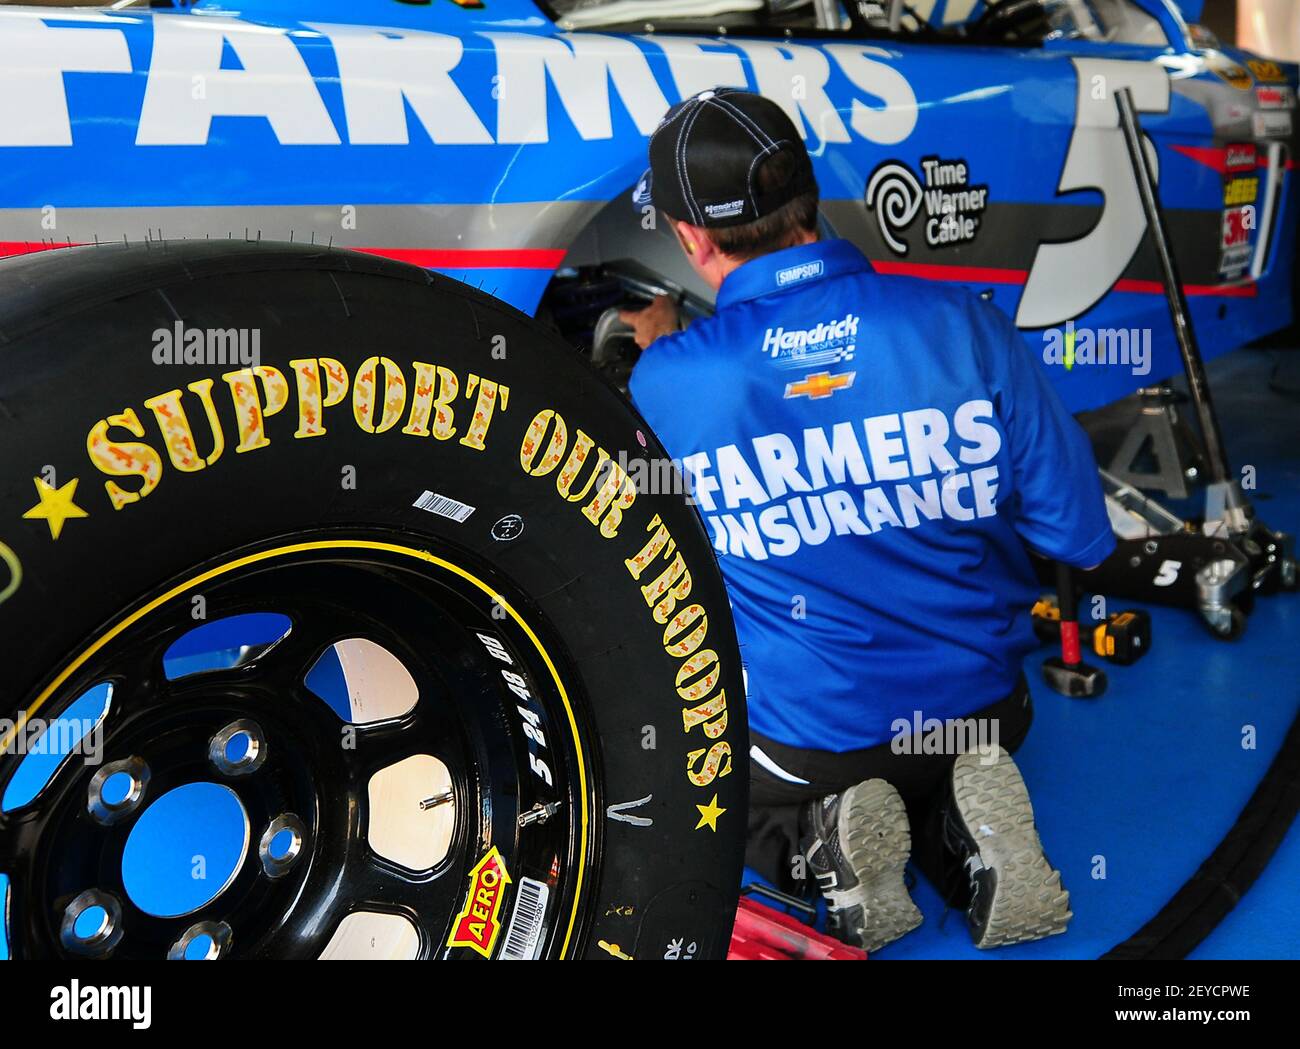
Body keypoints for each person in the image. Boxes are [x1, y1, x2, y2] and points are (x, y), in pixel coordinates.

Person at [622, 88, 1115, 951]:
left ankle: (824, 846)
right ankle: (968, 839)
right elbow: (1076, 531)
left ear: (691, 238)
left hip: (811, 743)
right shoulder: (964, 324)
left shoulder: (666, 383)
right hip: (985, 712)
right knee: (941, 750)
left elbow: (644, 551)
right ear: (809, 199)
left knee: (712, 792)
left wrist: (662, 350)